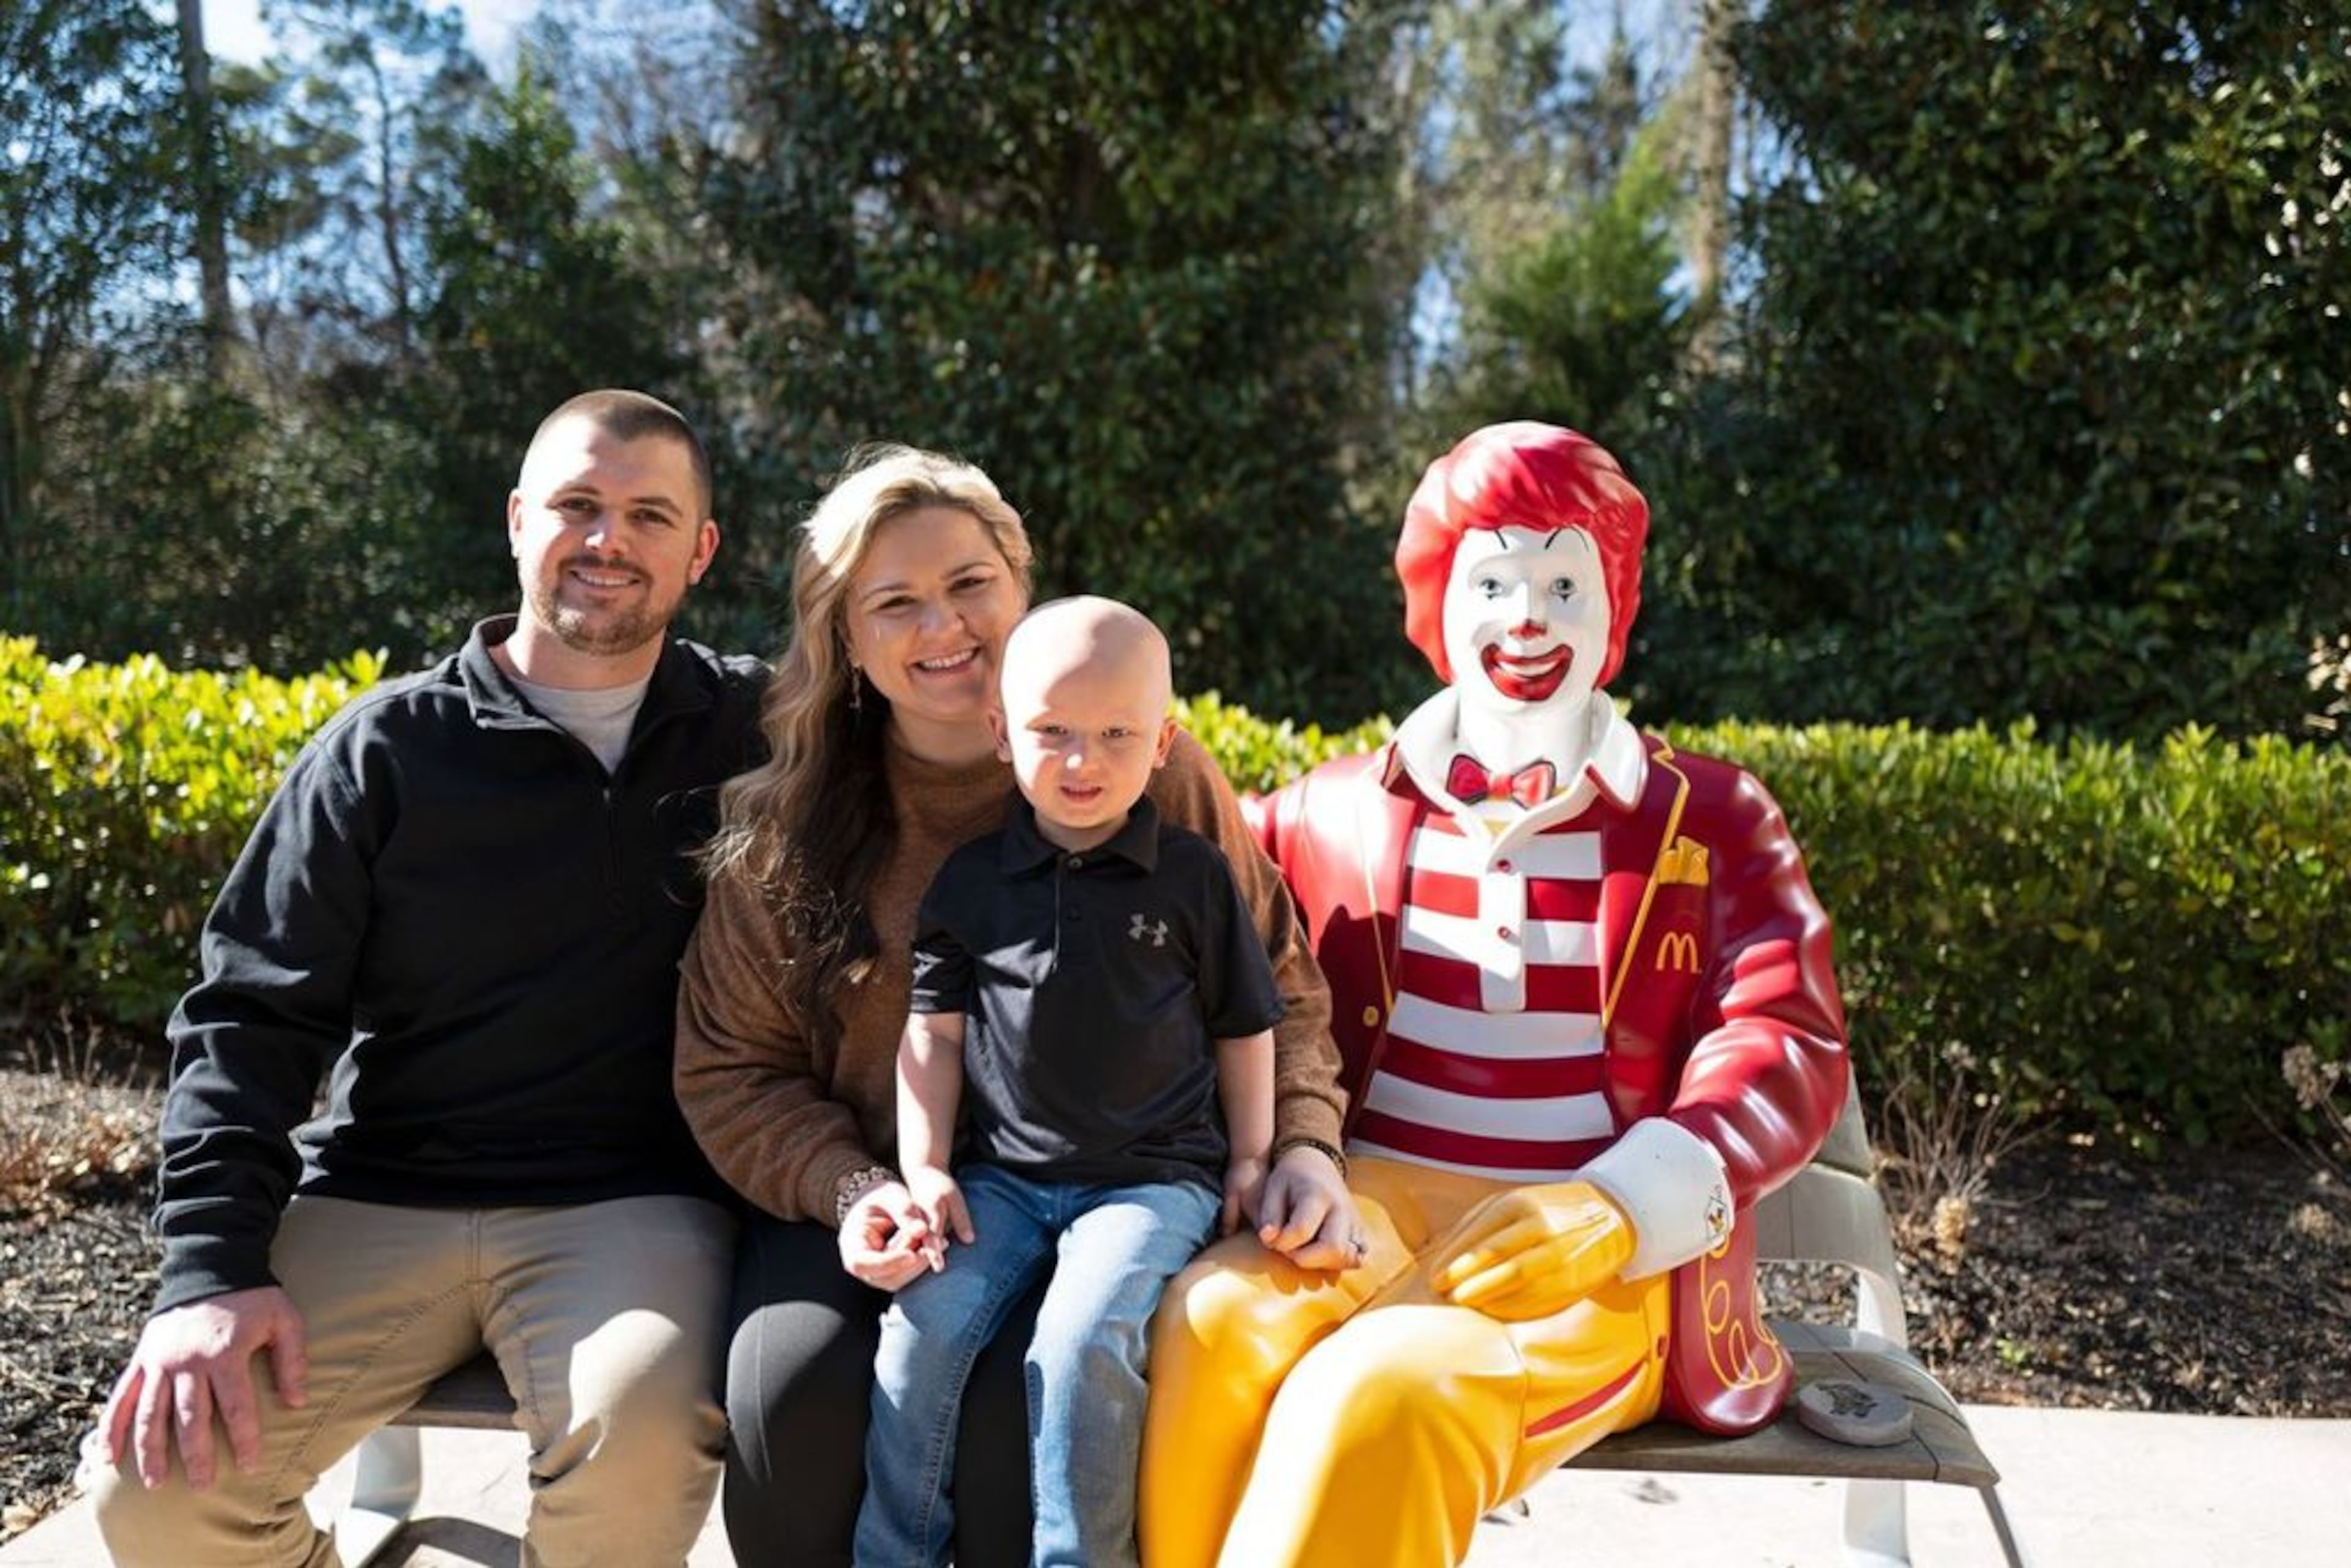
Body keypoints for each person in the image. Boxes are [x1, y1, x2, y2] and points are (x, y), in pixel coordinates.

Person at [1139, 421, 1853, 1567]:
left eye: (1564, 583)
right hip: (1360, 1206)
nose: (1527, 619)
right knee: (1213, 1323)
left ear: (1612, 609)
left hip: (1598, 1244)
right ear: (1438, 605)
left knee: (1390, 1392)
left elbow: (1786, 1035)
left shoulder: (1712, 819)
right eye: (1495, 581)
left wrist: (1622, 1205)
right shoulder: (1329, 812)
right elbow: (1196, 909)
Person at [82, 390, 767, 1567]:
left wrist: (1148, 770)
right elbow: (247, 1015)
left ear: (700, 549)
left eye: (650, 514)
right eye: (577, 505)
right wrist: (207, 1272)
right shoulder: (384, 751)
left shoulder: (760, 730)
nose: (609, 540)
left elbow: (983, 731)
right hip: (379, 1191)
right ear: (516, 521)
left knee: (642, 1438)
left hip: (629, 1205)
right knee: (155, 1489)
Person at [670, 445, 1359, 1568]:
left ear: (1020, 587)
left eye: (969, 584)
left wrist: (1305, 1147)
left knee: (1020, 1423)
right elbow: (728, 1069)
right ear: (846, 636)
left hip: (1130, 1182)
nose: (943, 624)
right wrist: (856, 1189)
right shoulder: (787, 828)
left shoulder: (1151, 778)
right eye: (895, 602)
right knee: (789, 1402)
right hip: (893, 1199)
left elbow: (1274, 988)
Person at [855, 595, 1280, 1567]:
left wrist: (1255, 1155)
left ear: (1164, 740)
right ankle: (893, 1555)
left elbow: (1246, 1027)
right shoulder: (969, 882)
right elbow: (933, 1037)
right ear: (1003, 733)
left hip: (1149, 1182)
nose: (1082, 762)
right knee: (921, 1330)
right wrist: (925, 1169)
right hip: (1000, 1181)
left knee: (1081, 1345)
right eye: (1053, 733)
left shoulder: (1194, 878)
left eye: (1115, 735)